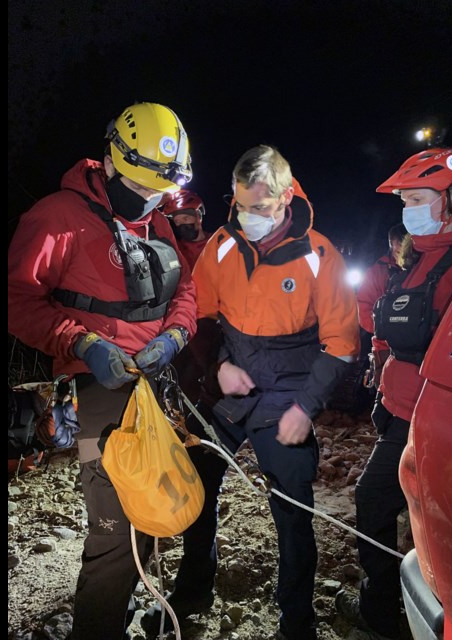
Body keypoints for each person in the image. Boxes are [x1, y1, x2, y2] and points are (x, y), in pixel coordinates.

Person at [142, 144, 360, 640]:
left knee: (292, 508)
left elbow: (343, 343)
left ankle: (296, 622)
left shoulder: (319, 254)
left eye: (258, 208)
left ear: (285, 198)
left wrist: (307, 407)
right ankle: (193, 593)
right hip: (231, 385)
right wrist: (218, 366)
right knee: (197, 486)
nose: (247, 217)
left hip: (290, 389)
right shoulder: (222, 243)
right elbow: (200, 315)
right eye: (239, 205)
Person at [7, 102, 199, 640]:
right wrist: (83, 343)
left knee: (156, 509)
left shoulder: (155, 216)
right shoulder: (56, 219)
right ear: (112, 163)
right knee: (114, 532)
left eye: (160, 190)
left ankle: (143, 603)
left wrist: (177, 334)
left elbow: (185, 288)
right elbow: (18, 299)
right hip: (98, 397)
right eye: (141, 188)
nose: (151, 201)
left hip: (155, 388)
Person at [335, 147, 452, 640]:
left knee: (380, 500)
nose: (407, 209)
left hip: (433, 418)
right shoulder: (419, 257)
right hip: (398, 409)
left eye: (417, 198)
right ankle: (410, 597)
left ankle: (389, 611)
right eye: (404, 200)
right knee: (406, 509)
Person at [356, 222, 406, 389]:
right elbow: (363, 306)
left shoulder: (424, 267)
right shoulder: (378, 271)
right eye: (395, 244)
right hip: (384, 346)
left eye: (402, 243)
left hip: (417, 348)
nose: (398, 248)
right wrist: (383, 329)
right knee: (385, 389)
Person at [161, 188, 211, 270]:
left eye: (186, 218)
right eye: (177, 221)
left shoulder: (217, 242)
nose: (182, 225)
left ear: (198, 217)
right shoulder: (176, 250)